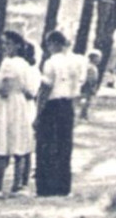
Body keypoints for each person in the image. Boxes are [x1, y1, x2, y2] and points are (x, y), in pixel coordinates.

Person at [35, 29, 90, 197]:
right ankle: (62, 186)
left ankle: (45, 187)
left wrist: (38, 112)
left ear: (53, 44)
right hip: (68, 105)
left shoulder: (52, 62)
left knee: (46, 144)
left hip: (52, 104)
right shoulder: (79, 61)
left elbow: (46, 88)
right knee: (64, 145)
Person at [0, 30, 37, 196]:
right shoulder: (25, 64)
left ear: (17, 45)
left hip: (7, 105)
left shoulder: (8, 63)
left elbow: (3, 90)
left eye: (7, 43)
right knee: (18, 142)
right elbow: (30, 91)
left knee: (3, 143)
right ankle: (18, 185)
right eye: (3, 44)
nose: (4, 47)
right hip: (20, 103)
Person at [79, 49, 102, 120]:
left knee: (87, 99)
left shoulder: (91, 66)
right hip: (87, 84)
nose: (99, 60)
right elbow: (89, 77)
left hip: (88, 84)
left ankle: (84, 113)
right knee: (86, 99)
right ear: (92, 58)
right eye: (97, 58)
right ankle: (83, 114)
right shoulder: (90, 67)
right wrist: (91, 85)